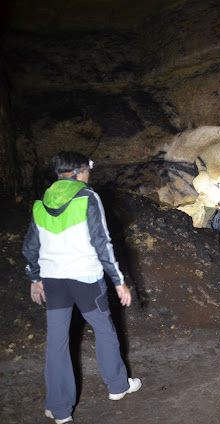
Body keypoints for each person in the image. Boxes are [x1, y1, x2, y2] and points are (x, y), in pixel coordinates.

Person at [22, 152, 141, 424]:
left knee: (57, 341)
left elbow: (30, 247)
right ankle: (117, 386)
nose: (90, 173)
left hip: (54, 281)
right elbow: (102, 242)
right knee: (104, 330)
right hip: (86, 278)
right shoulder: (87, 197)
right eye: (88, 168)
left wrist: (35, 278)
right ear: (78, 172)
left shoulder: (40, 203)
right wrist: (118, 280)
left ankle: (59, 409)